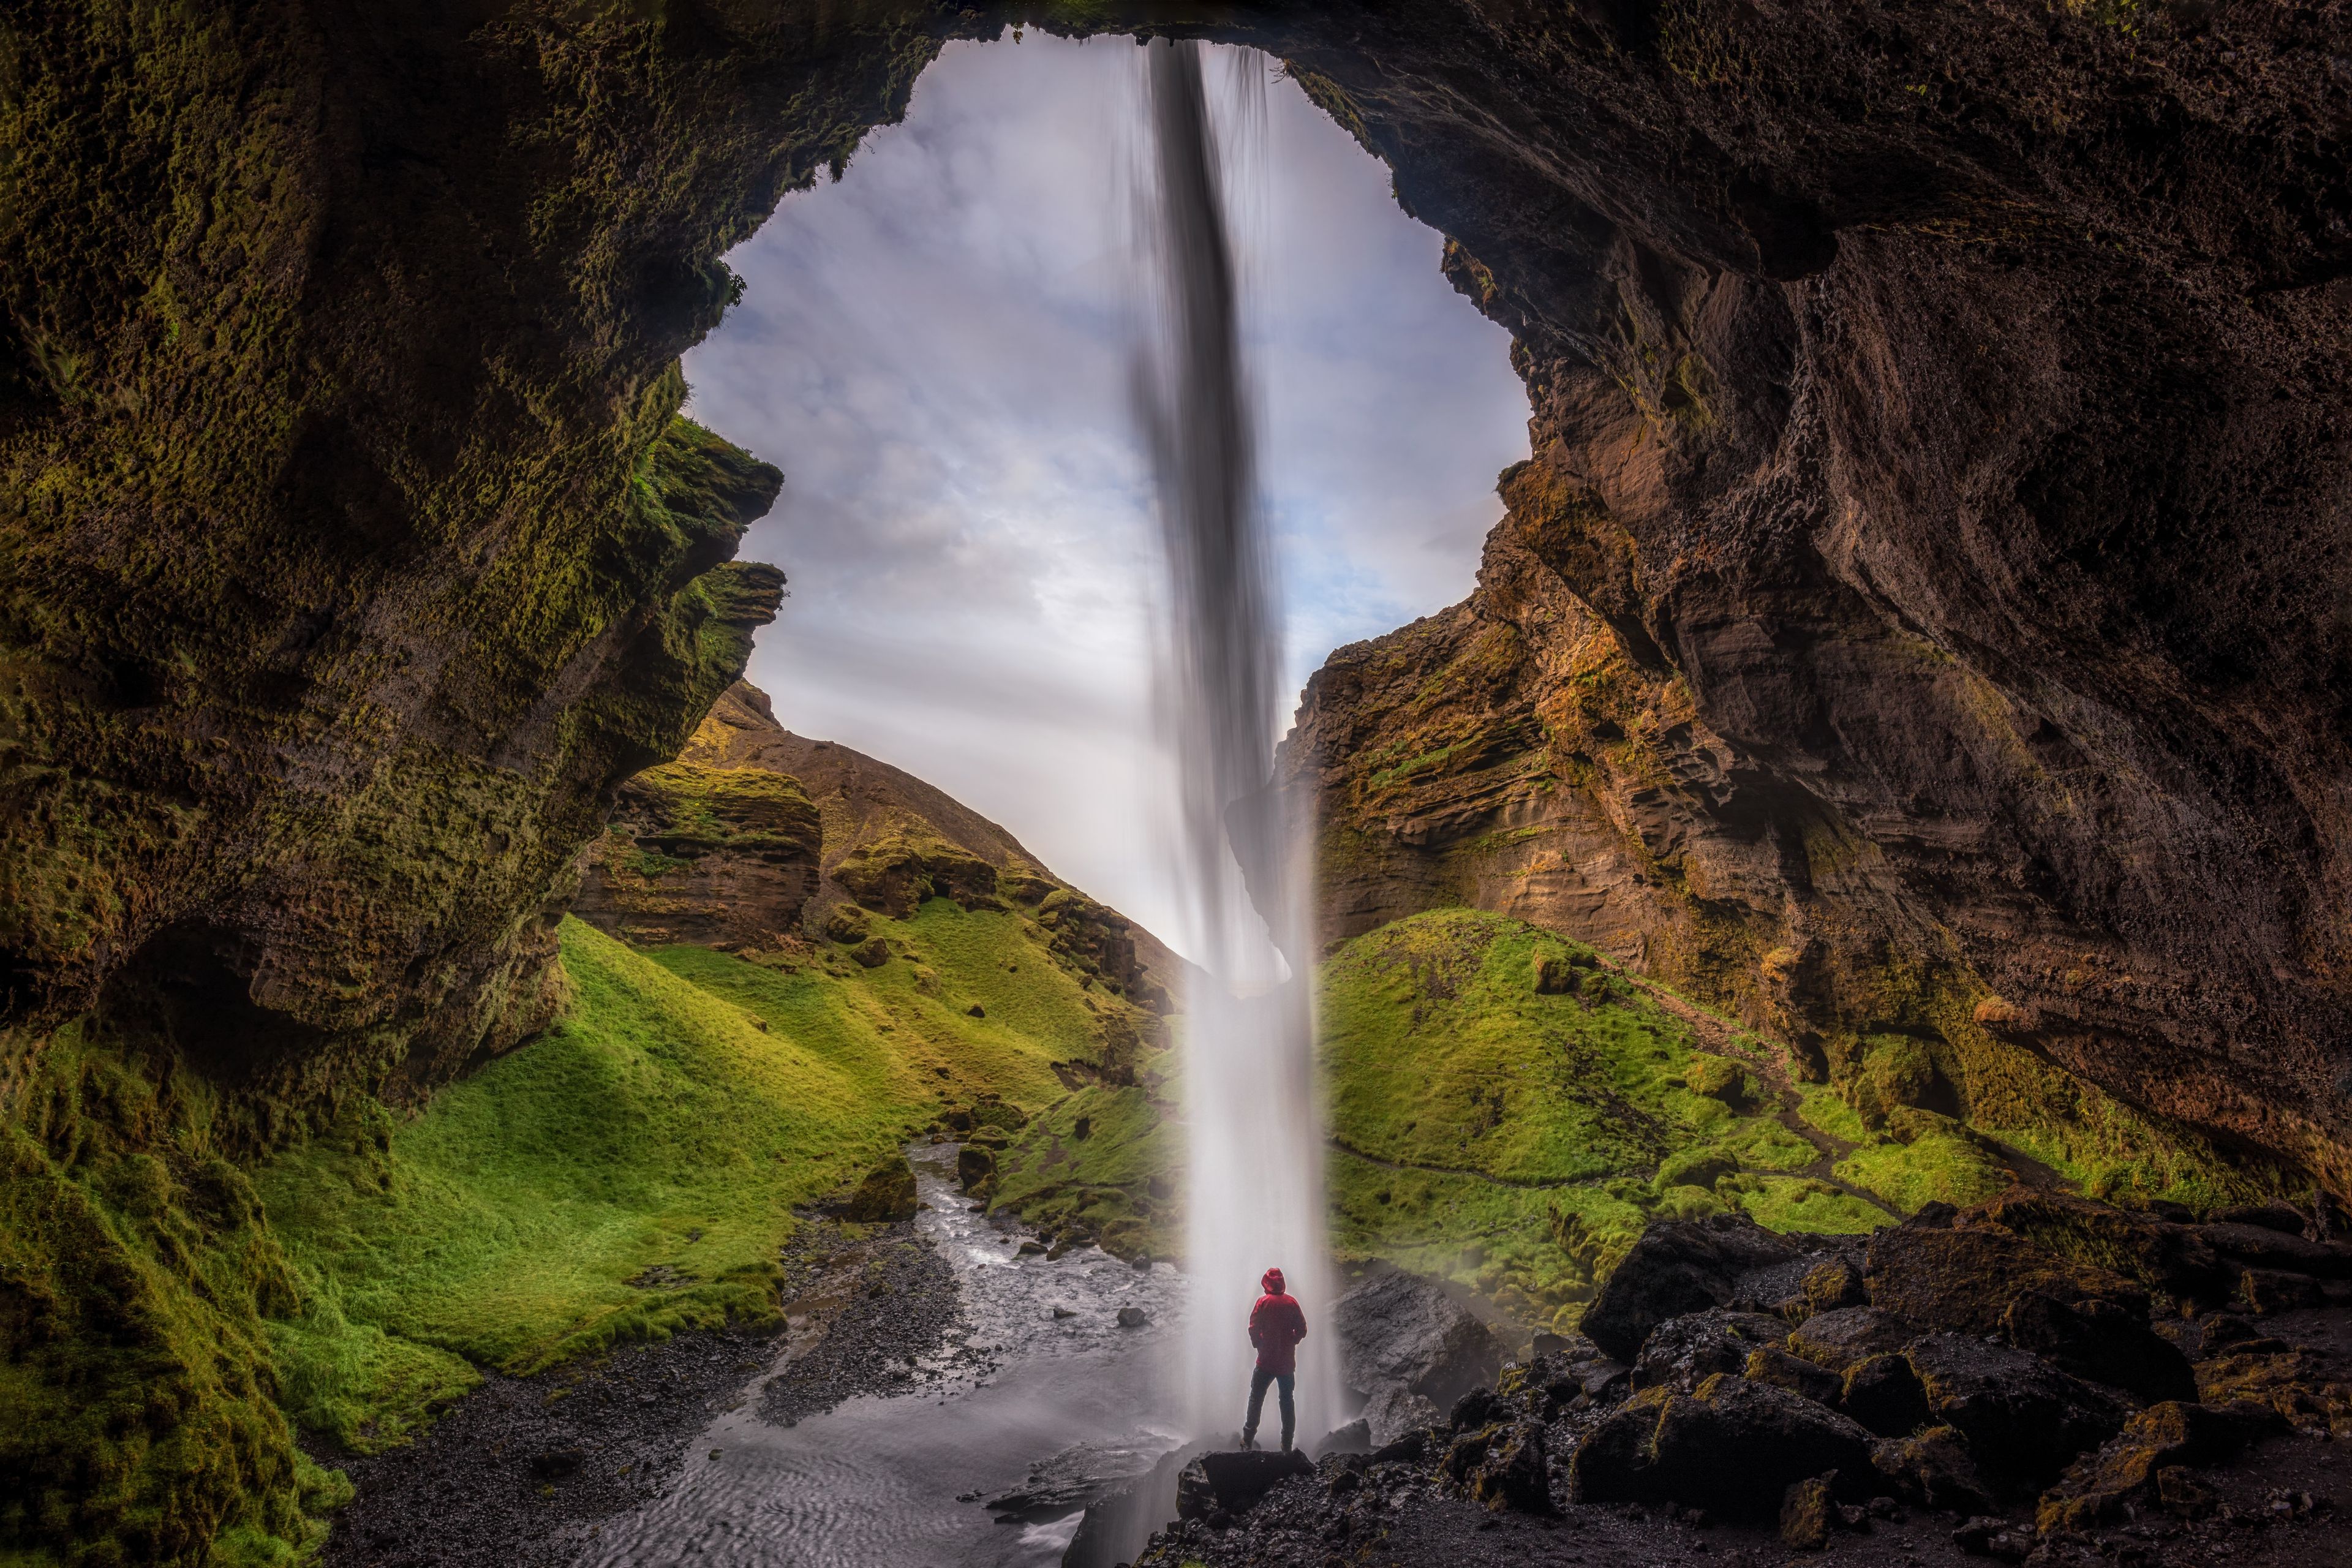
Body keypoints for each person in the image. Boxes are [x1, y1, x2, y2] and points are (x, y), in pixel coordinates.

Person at [1242, 1266, 1308, 1451]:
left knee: (1256, 1398)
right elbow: (1302, 1329)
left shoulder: (1263, 1303)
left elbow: (1253, 1327)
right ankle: (1286, 1445)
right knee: (1287, 1401)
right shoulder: (1292, 1303)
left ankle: (1247, 1440)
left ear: (1267, 1284)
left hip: (1265, 1362)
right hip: (1287, 1363)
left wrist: (1259, 1344)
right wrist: (1292, 1341)